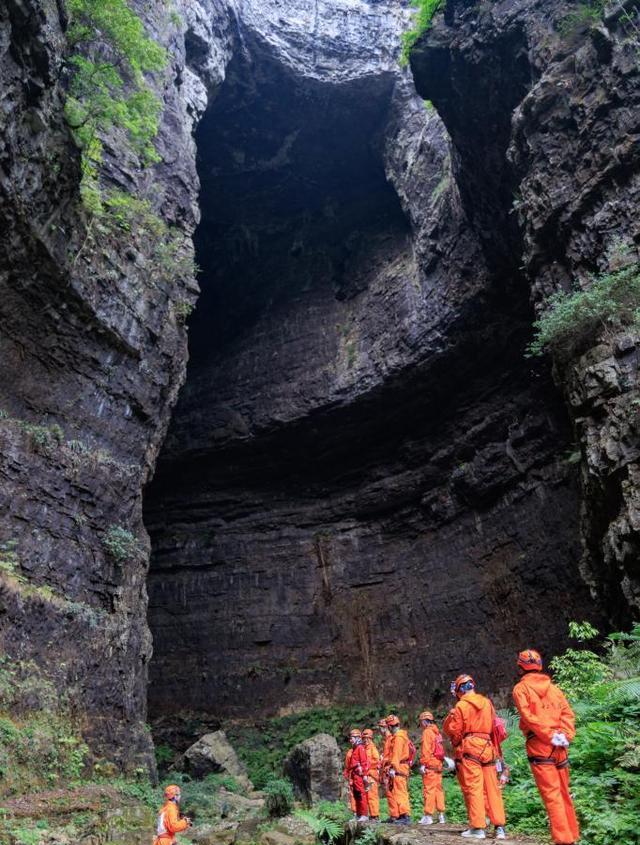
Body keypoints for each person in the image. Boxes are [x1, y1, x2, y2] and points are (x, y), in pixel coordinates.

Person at [512, 649, 580, 845]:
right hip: (560, 745)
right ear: (540, 666)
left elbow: (528, 717)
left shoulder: (520, 689)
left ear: (520, 667)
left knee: (552, 794)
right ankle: (571, 836)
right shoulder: (555, 689)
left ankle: (563, 840)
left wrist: (549, 735)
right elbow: (568, 713)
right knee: (564, 791)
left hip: (540, 744)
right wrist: (565, 735)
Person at [443, 675, 506, 840]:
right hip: (487, 746)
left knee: (474, 788)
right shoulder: (487, 702)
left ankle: (478, 828)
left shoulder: (461, 706)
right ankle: (499, 828)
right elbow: (494, 726)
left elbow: (456, 731)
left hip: (471, 747)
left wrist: (457, 743)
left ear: (459, 690)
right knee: (492, 788)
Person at [417, 710, 446, 825]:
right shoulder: (437, 733)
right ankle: (441, 815)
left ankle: (428, 816)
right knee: (438, 790)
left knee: (428, 790)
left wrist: (423, 764)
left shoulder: (427, 732)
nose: (421, 724)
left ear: (424, 721)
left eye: (421, 722)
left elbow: (426, 750)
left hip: (430, 764)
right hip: (438, 765)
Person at [383, 714, 411, 825]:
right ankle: (401, 815)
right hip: (400, 767)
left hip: (399, 767)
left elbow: (396, 754)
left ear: (389, 727)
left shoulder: (399, 737)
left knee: (400, 792)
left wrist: (393, 767)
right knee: (398, 791)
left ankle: (405, 816)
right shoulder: (400, 736)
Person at [347, 728, 370, 821]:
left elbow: (364, 762)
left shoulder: (360, 748)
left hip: (359, 775)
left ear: (357, 738)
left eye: (352, 737)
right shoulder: (355, 748)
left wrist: (364, 775)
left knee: (361, 794)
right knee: (356, 795)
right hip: (355, 775)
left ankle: (364, 814)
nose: (350, 740)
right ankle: (359, 814)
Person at [362, 728, 381, 822]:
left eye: (367, 738)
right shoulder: (363, 749)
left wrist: (367, 765)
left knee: (372, 795)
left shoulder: (373, 748)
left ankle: (375, 815)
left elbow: (377, 761)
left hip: (371, 775)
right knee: (367, 796)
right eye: (364, 738)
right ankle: (371, 814)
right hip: (366, 775)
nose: (365, 740)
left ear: (371, 738)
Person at [343, 742, 357, 816]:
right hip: (352, 775)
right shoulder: (350, 752)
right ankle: (355, 812)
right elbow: (347, 765)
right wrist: (346, 773)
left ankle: (363, 813)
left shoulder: (362, 750)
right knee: (352, 793)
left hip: (359, 774)